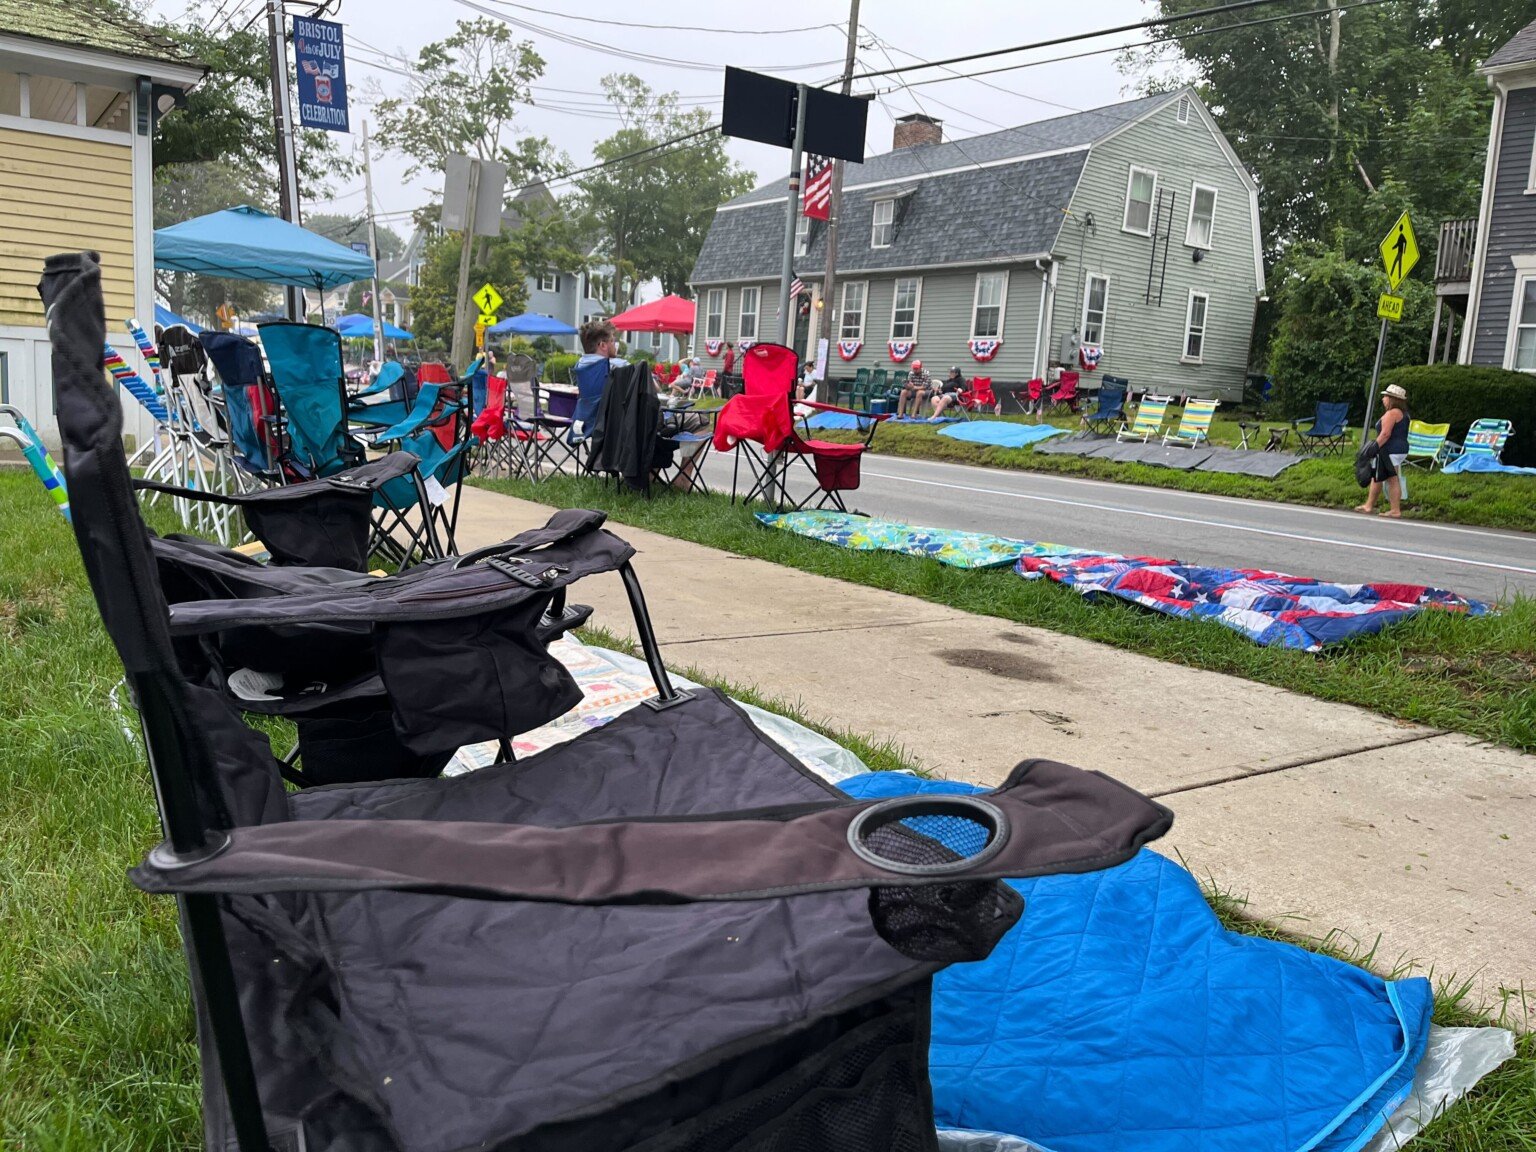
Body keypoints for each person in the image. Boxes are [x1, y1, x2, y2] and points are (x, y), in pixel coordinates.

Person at [1355, 383, 1410, 518]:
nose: (1383, 399)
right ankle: (1370, 505)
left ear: (1392, 399)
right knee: (1378, 477)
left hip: (1390, 450)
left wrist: (1372, 449)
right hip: (1398, 449)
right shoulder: (1403, 414)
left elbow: (1385, 434)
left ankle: (1395, 510)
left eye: (1385, 396)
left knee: (1391, 479)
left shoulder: (1392, 413)